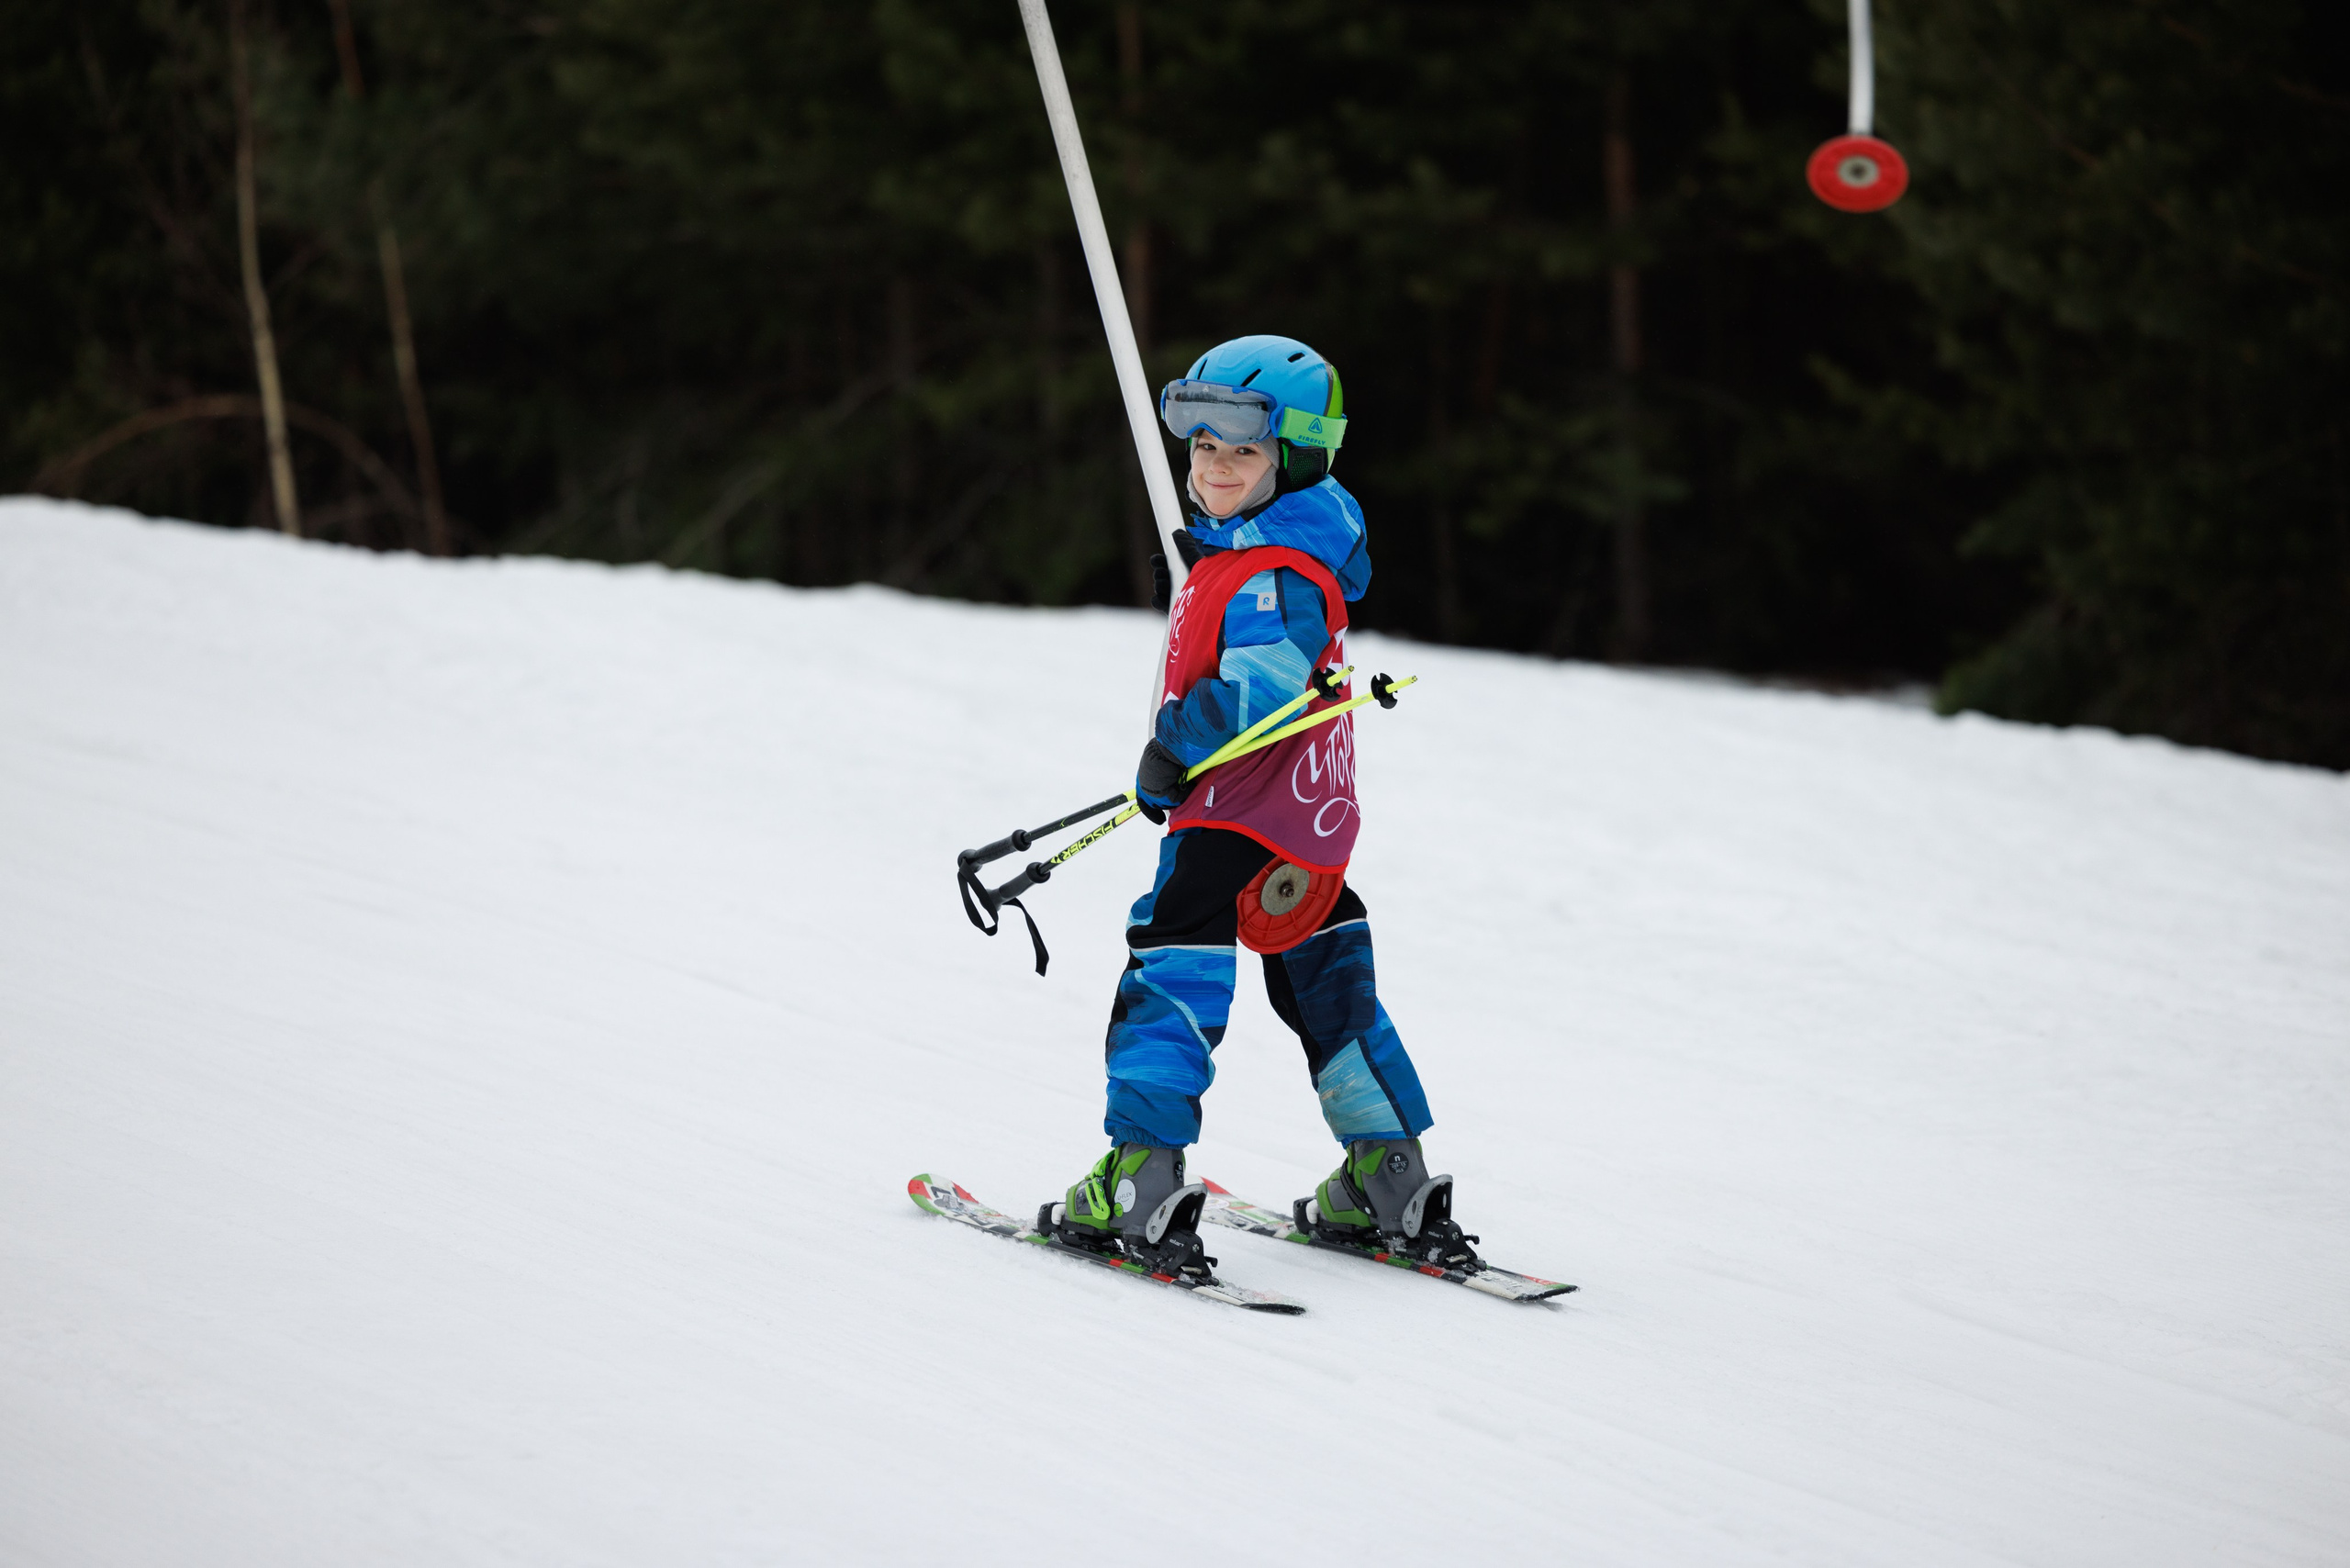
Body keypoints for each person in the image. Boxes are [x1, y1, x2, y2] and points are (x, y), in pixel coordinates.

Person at [1039, 333, 1478, 1280]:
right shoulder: (1272, 549)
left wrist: (1172, 751)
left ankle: (1139, 1180)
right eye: (1199, 447)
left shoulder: (1276, 571)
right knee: (1321, 975)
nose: (1214, 467)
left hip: (1233, 807)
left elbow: (1261, 693)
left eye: (1241, 448)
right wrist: (1204, 579)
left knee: (1170, 969)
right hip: (1303, 823)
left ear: (1298, 454)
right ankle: (1388, 1177)